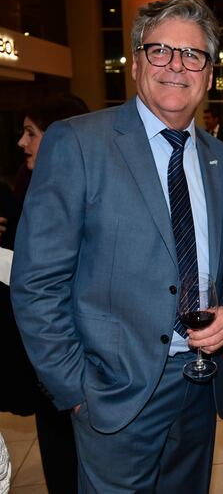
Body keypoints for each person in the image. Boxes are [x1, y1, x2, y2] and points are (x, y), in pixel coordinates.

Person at [11, 0, 223, 493]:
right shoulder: (78, 143)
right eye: (160, 51)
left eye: (192, 56)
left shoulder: (222, 161)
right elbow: (37, 282)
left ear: (207, 74)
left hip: (200, 387)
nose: (175, 66)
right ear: (137, 60)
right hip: (113, 393)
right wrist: (76, 389)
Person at [1, 95, 89, 494]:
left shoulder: (88, 190)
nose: (22, 142)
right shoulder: (27, 181)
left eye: (31, 133)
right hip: (44, 358)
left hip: (77, 356)